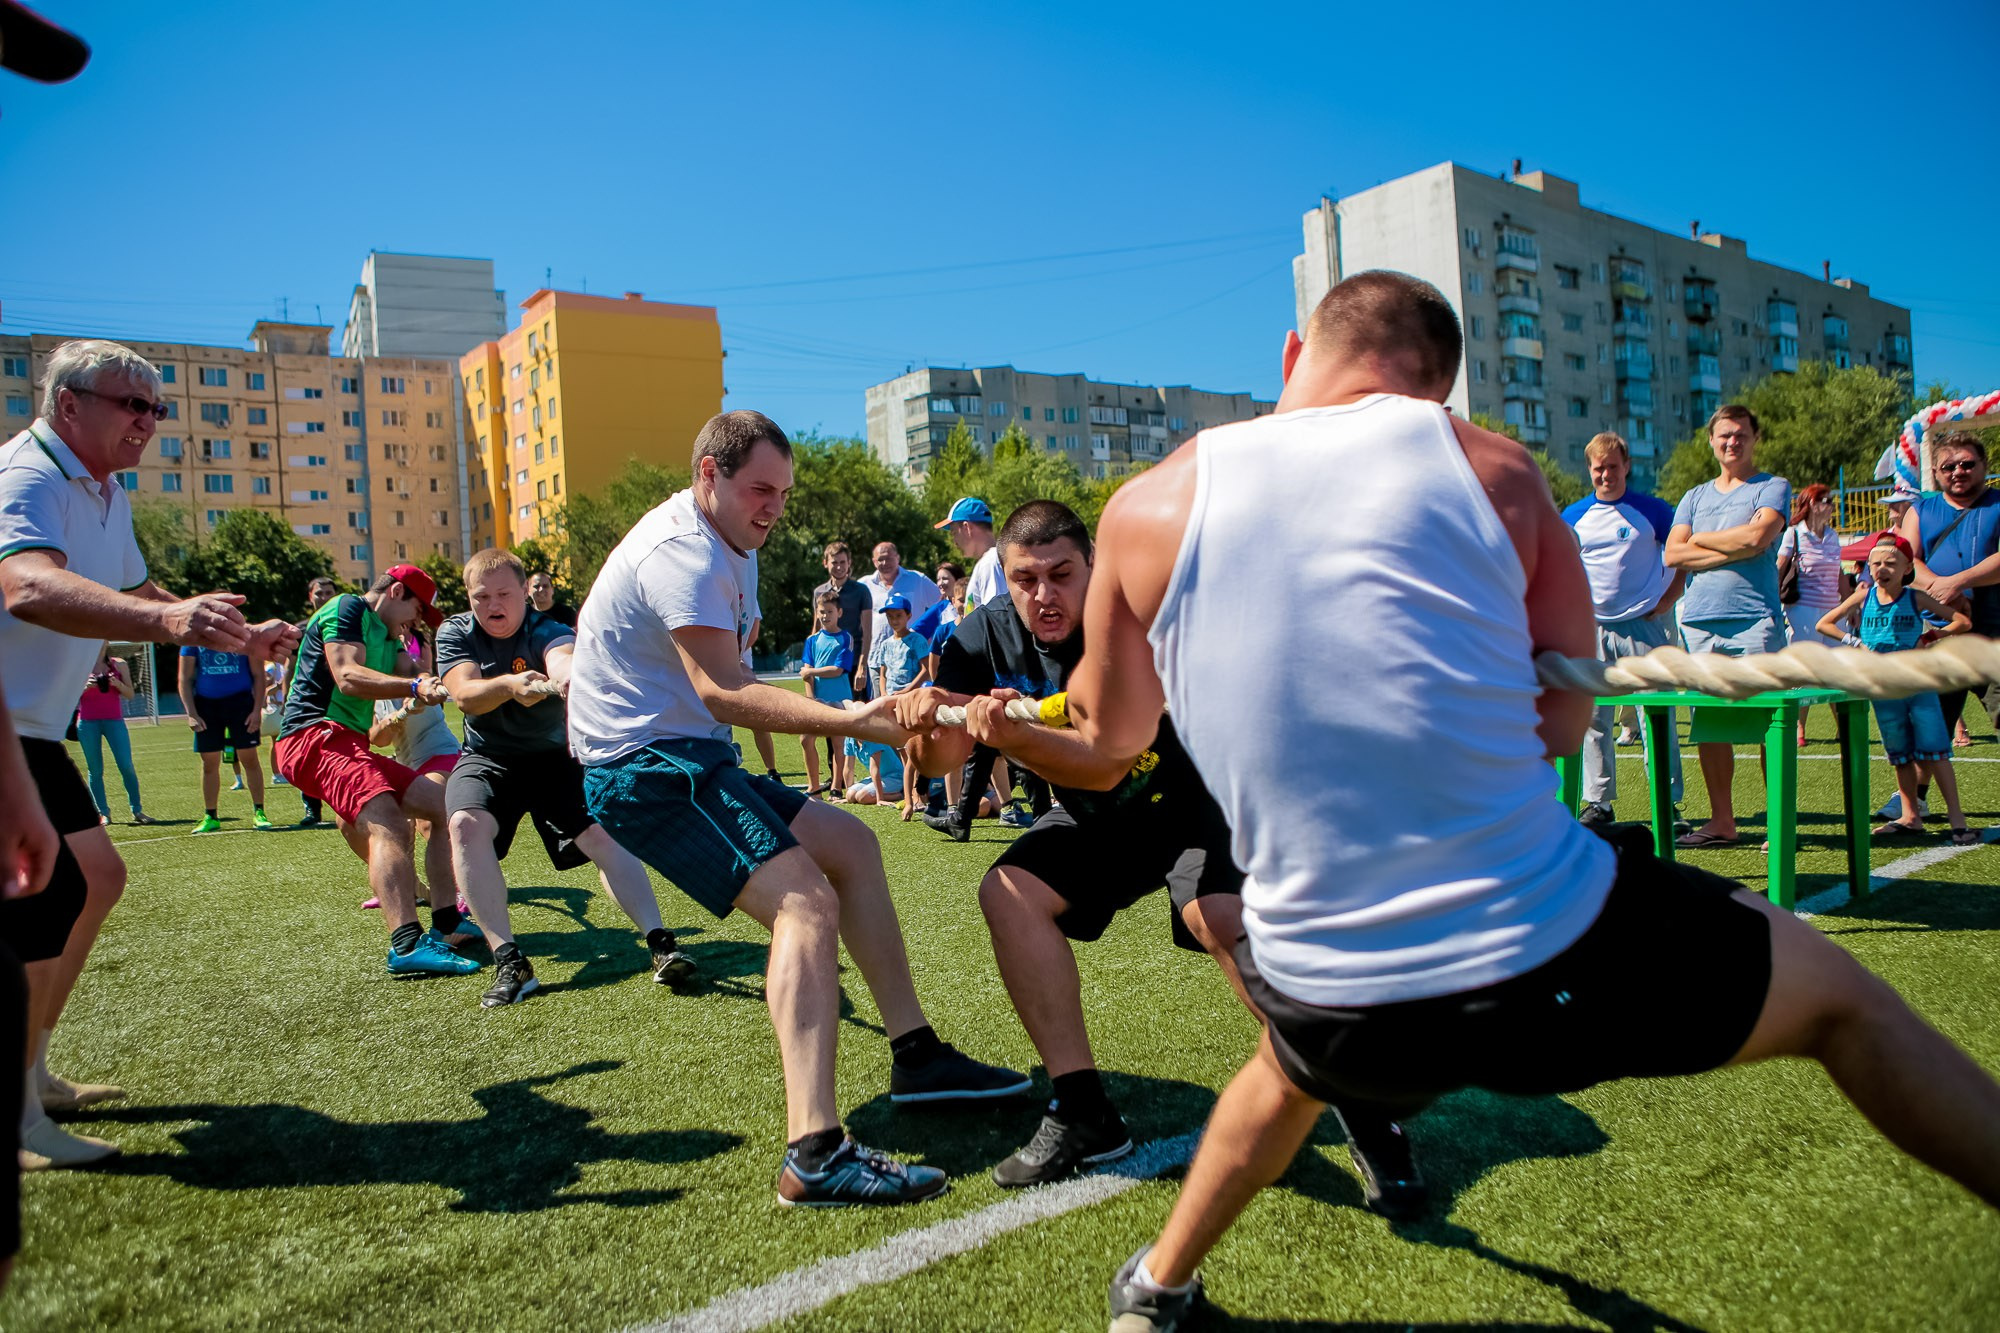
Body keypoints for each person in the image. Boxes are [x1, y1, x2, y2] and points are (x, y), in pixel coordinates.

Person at [1056, 271, 2000, 1330]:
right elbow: (1555, 728)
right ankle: (1161, 1282)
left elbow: (1107, 742)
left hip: (1319, 981)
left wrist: (1001, 727)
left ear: (1290, 356)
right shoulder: (1496, 473)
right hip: (1543, 954)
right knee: (1845, 1002)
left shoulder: (1142, 506)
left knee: (1293, 1061)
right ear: (1437, 391)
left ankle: (1153, 1289)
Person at [896, 501, 1426, 1206]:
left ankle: (1359, 1101)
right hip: (1098, 820)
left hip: (1195, 796)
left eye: (1062, 574)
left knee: (1217, 914)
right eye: (1025, 579)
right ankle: (1084, 1111)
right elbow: (941, 760)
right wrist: (928, 718)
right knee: (1009, 892)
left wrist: (1011, 736)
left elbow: (1108, 762)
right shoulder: (979, 636)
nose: (1044, 595)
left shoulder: (1132, 622)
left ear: (1094, 568)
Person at [566, 409, 1028, 1207]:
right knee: (805, 901)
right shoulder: (682, 549)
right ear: (706, 474)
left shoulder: (734, 542)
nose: (774, 506)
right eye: (759, 489)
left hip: (691, 753)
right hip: (643, 766)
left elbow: (714, 692)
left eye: (783, 490)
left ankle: (915, 1055)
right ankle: (813, 1150)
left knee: (850, 842)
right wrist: (859, 717)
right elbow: (724, 689)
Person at [0, 339, 297, 1168]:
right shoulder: (26, 475)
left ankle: (34, 1072)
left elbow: (139, 593)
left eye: (156, 407)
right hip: (6, 731)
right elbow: (26, 585)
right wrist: (171, 624)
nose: (150, 421)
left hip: (30, 731)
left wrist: (244, 632)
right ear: (69, 404)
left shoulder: (106, 491)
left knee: (96, 878)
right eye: (132, 403)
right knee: (40, 900)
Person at [439, 548, 692, 1008]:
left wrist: (565, 679)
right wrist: (510, 687)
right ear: (469, 598)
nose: (493, 605)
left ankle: (660, 944)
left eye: (503, 594)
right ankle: (511, 961)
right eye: (481, 597)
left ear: (524, 593)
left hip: (556, 758)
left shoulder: (549, 629)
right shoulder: (456, 631)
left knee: (604, 840)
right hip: (488, 758)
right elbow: (465, 695)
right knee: (464, 825)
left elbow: (564, 660)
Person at [273, 564, 477, 977]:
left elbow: (411, 672)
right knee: (390, 823)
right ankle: (406, 943)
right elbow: (348, 676)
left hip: (347, 742)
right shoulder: (346, 608)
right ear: (397, 591)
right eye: (417, 610)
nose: (416, 623)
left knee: (439, 806)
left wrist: (445, 682)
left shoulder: (389, 634)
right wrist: (414, 688)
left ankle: (446, 922)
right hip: (313, 736)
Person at [1664, 405, 1791, 849]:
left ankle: (1779, 823)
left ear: (1755, 438)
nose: (1731, 442)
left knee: (1767, 721)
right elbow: (1672, 555)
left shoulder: (1772, 487)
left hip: (1755, 618)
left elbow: (1758, 539)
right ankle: (1722, 822)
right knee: (1711, 725)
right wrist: (1729, 546)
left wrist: (1698, 540)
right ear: (1712, 441)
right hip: (1699, 622)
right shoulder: (1695, 496)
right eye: (1723, 436)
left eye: (1740, 434)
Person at [1816, 534, 1976, 845]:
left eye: (1890, 563)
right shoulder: (1863, 597)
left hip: (1917, 683)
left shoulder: (1916, 598)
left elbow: (1961, 622)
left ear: (1906, 568)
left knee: (1936, 751)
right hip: (1884, 687)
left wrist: (1930, 638)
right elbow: (1825, 624)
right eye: (1875, 563)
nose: (1881, 568)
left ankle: (1958, 820)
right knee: (1899, 754)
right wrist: (1857, 643)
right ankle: (1910, 816)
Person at [1561, 432, 1684, 829]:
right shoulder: (1574, 516)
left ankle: (1668, 800)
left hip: (1643, 627)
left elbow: (1684, 555)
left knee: (1656, 715)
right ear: (1589, 470)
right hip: (1593, 629)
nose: (1606, 475)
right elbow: (1557, 567)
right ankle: (1598, 803)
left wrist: (1667, 602)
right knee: (1594, 719)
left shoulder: (1653, 511)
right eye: (1598, 468)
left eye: (1613, 467)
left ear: (1626, 466)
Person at [1901, 431, 2000, 757]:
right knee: (1930, 723)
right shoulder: (1921, 509)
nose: (1958, 471)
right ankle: (1912, 799)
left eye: (1967, 464)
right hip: (1938, 632)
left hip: (1993, 632)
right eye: (1948, 466)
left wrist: (1955, 583)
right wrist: (1938, 589)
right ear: (1936, 473)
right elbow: (1904, 560)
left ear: (1984, 465)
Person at [1776, 483, 1852, 746]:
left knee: (1837, 670)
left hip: (1833, 610)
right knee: (1805, 670)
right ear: (1810, 504)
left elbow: (1839, 573)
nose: (1831, 505)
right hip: (1803, 610)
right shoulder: (1793, 534)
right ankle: (1799, 727)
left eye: (1831, 500)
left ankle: (1842, 725)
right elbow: (1779, 567)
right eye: (1825, 500)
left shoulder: (1832, 536)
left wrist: (1849, 606)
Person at [177, 646, 272, 832]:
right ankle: (210, 816)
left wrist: (256, 710)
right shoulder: (193, 640)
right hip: (206, 706)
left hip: (241, 703)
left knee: (249, 758)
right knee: (209, 763)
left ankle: (259, 812)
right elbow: (184, 678)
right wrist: (191, 713)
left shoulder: (245, 636)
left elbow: (258, 675)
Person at [812, 541, 873, 765]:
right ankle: (836, 774)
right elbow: (816, 629)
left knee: (858, 716)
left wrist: (862, 667)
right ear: (826, 564)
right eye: (834, 562)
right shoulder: (820, 592)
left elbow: (866, 631)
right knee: (831, 717)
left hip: (853, 662)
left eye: (843, 562)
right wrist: (810, 665)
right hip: (827, 666)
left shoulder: (861, 591)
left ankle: (868, 769)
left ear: (849, 564)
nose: (838, 566)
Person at [76, 648, 151, 825]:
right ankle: (103, 813)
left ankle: (137, 810)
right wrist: (84, 687)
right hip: (87, 723)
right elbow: (66, 696)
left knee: (126, 765)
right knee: (95, 770)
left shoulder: (119, 664)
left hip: (114, 721)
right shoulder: (78, 663)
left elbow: (130, 694)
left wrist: (117, 684)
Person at [860, 540, 942, 691]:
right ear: (873, 561)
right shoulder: (864, 585)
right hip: (879, 658)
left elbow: (942, 601)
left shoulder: (918, 580)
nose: (885, 563)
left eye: (889, 558)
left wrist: (934, 633)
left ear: (898, 557)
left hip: (913, 657)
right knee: (882, 707)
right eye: (880, 559)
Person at [797, 591, 855, 798]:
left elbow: (838, 670)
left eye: (830, 611)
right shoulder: (812, 641)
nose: (825, 616)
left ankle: (836, 788)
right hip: (818, 701)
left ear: (839, 612)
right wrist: (811, 700)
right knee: (806, 739)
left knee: (837, 743)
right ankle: (814, 787)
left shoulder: (845, 638)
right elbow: (806, 673)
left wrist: (811, 672)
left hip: (840, 700)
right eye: (822, 611)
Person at [294, 577, 340, 827]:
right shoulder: (302, 629)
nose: (324, 597)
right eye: (319, 593)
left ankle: (342, 805)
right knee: (309, 754)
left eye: (329, 593)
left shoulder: (344, 624)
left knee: (338, 751)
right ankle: (312, 809)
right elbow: (293, 666)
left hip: (338, 698)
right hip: (310, 701)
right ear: (310, 596)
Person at [936, 496, 1005, 609]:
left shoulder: (990, 563)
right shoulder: (993, 560)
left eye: (954, 533)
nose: (954, 542)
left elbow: (996, 616)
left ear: (966, 527)